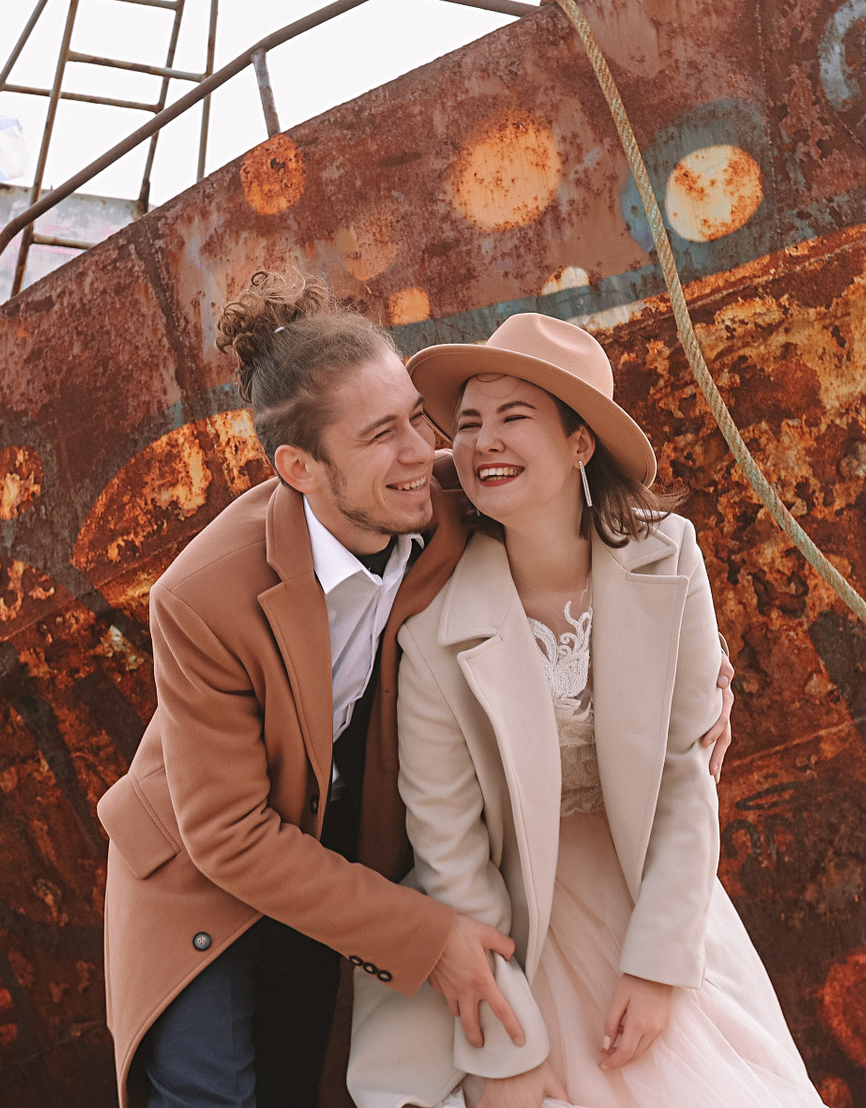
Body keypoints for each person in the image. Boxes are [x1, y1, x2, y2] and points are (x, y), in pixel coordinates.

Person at [348, 313, 821, 1108]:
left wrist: (660, 967)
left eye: (513, 417)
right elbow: (450, 852)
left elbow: (685, 776)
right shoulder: (434, 637)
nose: (484, 442)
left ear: (579, 444)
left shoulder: (670, 557)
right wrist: (507, 1040)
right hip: (522, 928)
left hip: (655, 898)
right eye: (469, 423)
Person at [98, 271, 538, 1108]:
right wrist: (430, 937)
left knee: (287, 1089)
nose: (420, 451)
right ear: (299, 467)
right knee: (209, 1097)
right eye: (381, 435)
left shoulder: (445, 496)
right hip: (196, 866)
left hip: (321, 857)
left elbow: (589, 514)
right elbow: (228, 834)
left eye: (416, 417)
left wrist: (708, 665)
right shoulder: (200, 597)